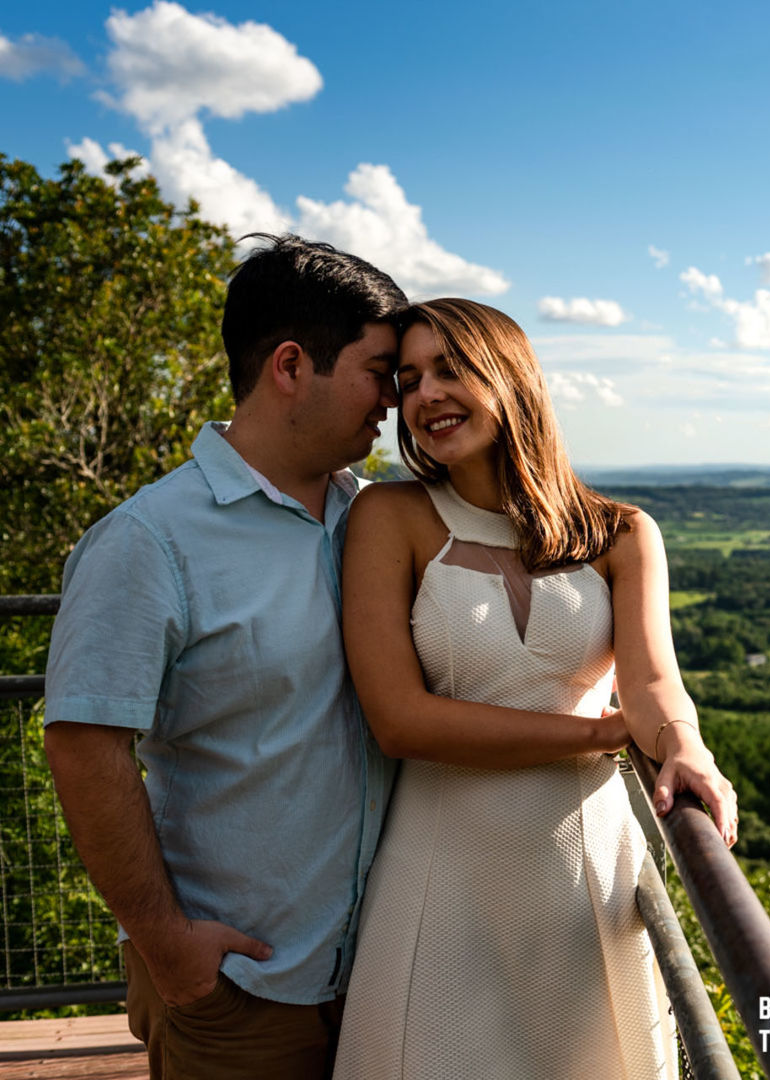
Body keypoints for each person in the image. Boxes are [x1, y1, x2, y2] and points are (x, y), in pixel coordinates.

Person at [331, 297, 737, 1080]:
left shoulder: (622, 532)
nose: (425, 395)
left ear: (511, 376)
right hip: (440, 873)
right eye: (409, 380)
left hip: (585, 872)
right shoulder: (390, 515)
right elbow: (400, 721)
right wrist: (602, 733)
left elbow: (654, 680)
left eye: (450, 368)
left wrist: (684, 746)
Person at [41, 234, 409, 1078]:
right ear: (291, 365)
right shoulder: (148, 541)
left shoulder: (373, 519)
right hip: (242, 988)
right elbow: (84, 746)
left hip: (384, 977)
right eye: (379, 370)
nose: (394, 398)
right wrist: (169, 947)